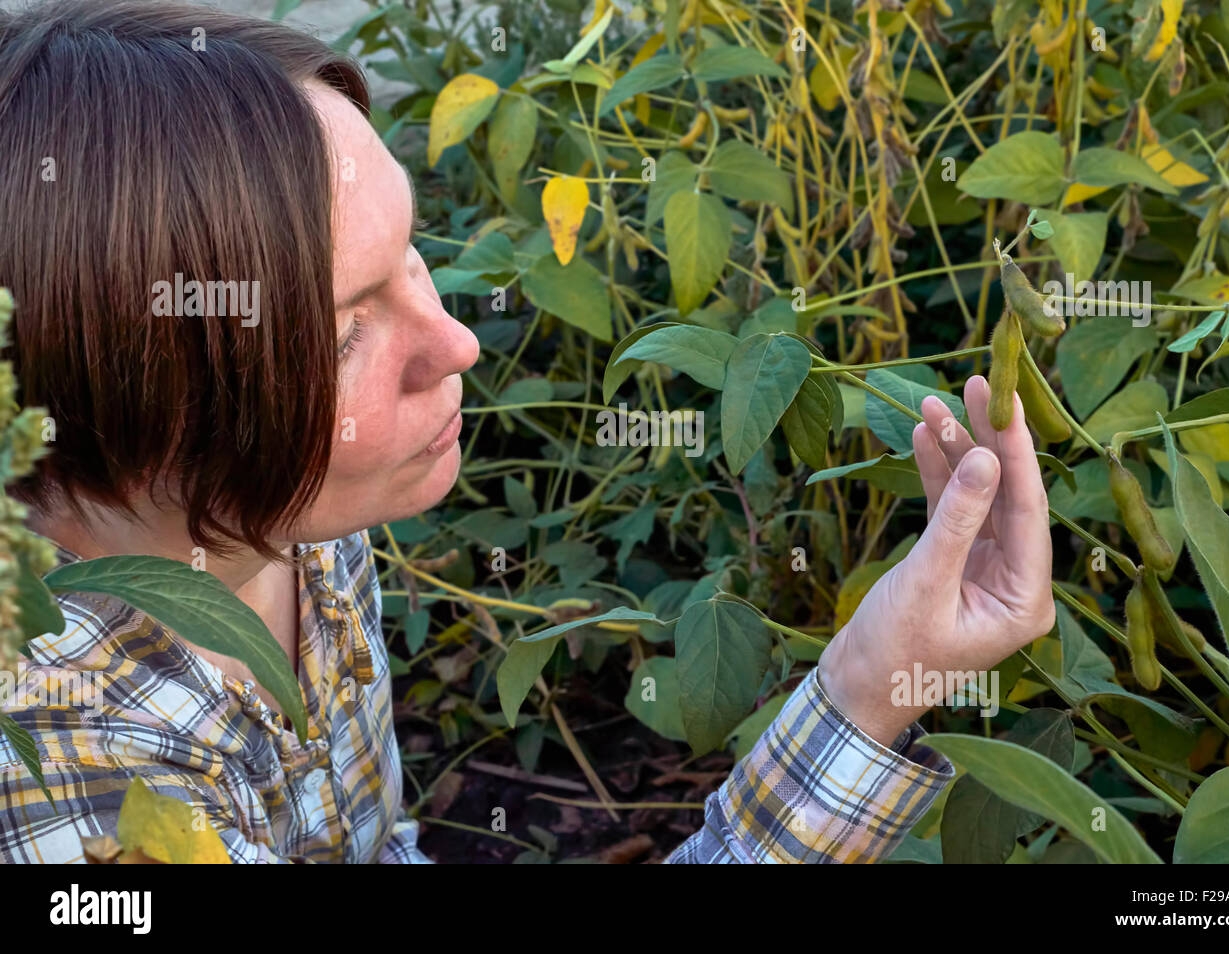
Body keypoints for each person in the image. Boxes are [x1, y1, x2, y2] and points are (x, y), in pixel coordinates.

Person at [0, 0, 1055, 864]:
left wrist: (878, 673)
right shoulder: (81, 804)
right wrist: (867, 696)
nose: (456, 344)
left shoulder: (282, 509)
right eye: (337, 339)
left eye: (410, 257)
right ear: (135, 414)